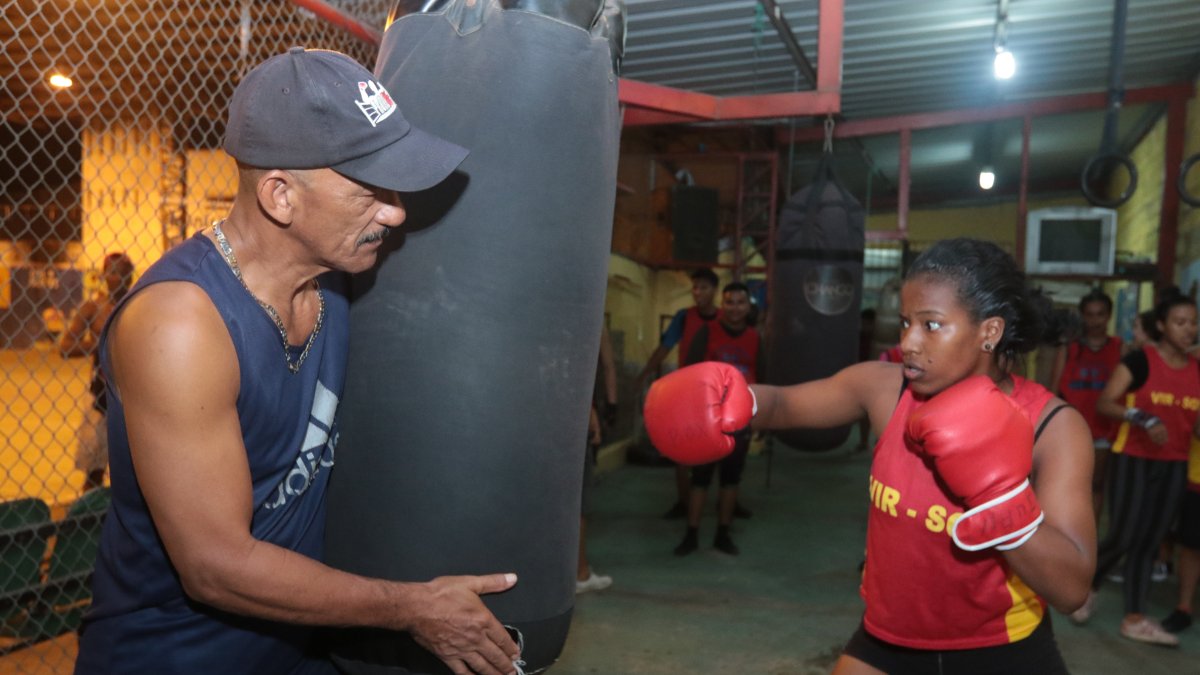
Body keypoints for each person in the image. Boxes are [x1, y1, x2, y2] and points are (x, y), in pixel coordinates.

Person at [75, 48, 522, 675]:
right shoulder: (180, 326)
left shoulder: (333, 280)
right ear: (280, 196)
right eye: (368, 191)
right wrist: (412, 608)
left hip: (297, 647)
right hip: (175, 656)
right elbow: (215, 567)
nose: (394, 212)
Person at [645, 238, 1094, 673]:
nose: (910, 343)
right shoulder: (886, 387)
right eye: (904, 323)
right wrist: (733, 401)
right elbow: (784, 404)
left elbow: (1072, 588)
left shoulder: (1052, 427)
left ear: (989, 331)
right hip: (888, 637)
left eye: (931, 325)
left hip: (1002, 648)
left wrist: (1002, 501)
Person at [1070, 292, 1200, 647]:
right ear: (1161, 325)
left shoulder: (1197, 370)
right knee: (1126, 534)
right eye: (1180, 322)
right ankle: (1087, 586)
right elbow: (1106, 402)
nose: (1189, 329)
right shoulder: (1140, 361)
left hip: (1174, 463)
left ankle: (1135, 618)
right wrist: (1141, 416)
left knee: (1150, 539)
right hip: (1133, 458)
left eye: (1193, 322)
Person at [673, 281, 762, 557]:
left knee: (731, 480)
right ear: (722, 306)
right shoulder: (707, 331)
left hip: (740, 423)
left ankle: (723, 533)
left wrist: (762, 420)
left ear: (748, 307)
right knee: (700, 479)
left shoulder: (756, 338)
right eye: (730, 302)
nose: (735, 308)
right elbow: (690, 374)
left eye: (740, 302)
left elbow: (763, 377)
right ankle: (692, 534)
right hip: (707, 422)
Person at [633, 267, 724, 519]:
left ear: (713, 290)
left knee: (720, 448)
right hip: (687, 392)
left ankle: (722, 500)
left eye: (703, 287)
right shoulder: (684, 318)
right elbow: (664, 348)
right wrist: (644, 376)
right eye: (695, 288)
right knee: (681, 447)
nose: (698, 292)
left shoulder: (726, 319)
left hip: (717, 393)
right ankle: (683, 502)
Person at [58, 251, 135, 492]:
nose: (116, 278)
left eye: (122, 273)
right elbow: (65, 348)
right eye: (111, 273)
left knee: (137, 471)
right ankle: (90, 516)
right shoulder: (93, 307)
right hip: (101, 394)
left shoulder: (138, 303)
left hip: (135, 395)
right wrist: (100, 342)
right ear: (103, 276)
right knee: (94, 471)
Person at [1050, 290, 1122, 521]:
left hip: (1105, 428)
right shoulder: (1070, 349)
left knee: (1097, 484)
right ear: (1082, 316)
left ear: (1109, 316)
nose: (1095, 320)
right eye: (1090, 315)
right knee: (1069, 483)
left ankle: (1090, 534)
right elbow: (1053, 391)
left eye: (1100, 314)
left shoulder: (1120, 348)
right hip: (1072, 428)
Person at [577, 325, 615, 594]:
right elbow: (606, 366)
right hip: (573, 416)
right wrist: (600, 410)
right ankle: (580, 573)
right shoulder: (587, 315)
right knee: (578, 500)